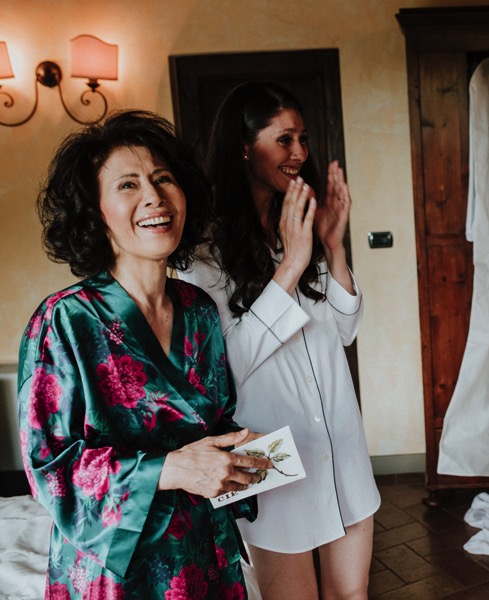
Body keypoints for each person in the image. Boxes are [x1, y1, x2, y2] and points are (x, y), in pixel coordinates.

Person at [18, 110, 272, 598]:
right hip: (121, 571)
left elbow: (213, 420)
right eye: (128, 185)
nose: (154, 196)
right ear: (95, 211)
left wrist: (238, 453)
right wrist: (170, 469)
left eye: (163, 179)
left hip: (205, 554)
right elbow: (50, 469)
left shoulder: (198, 310)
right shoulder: (65, 321)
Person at [179, 81, 379, 600]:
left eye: (304, 139)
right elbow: (226, 371)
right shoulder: (203, 258)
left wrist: (331, 248)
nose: (299, 153)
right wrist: (288, 267)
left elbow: (345, 329)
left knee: (350, 596)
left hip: (339, 439)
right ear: (244, 146)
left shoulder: (302, 230)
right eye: (284, 139)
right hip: (269, 453)